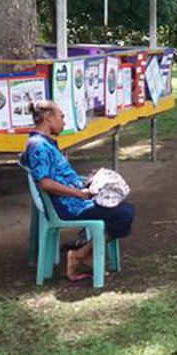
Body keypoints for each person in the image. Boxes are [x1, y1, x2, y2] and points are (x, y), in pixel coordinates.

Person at [23, 100, 135, 281]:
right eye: (62, 117)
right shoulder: (38, 146)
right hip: (68, 206)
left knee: (123, 207)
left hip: (76, 199)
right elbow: (44, 183)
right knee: (124, 214)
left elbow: (59, 176)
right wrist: (78, 193)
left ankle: (85, 253)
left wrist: (87, 181)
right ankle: (79, 254)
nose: (64, 122)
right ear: (49, 118)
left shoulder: (46, 143)